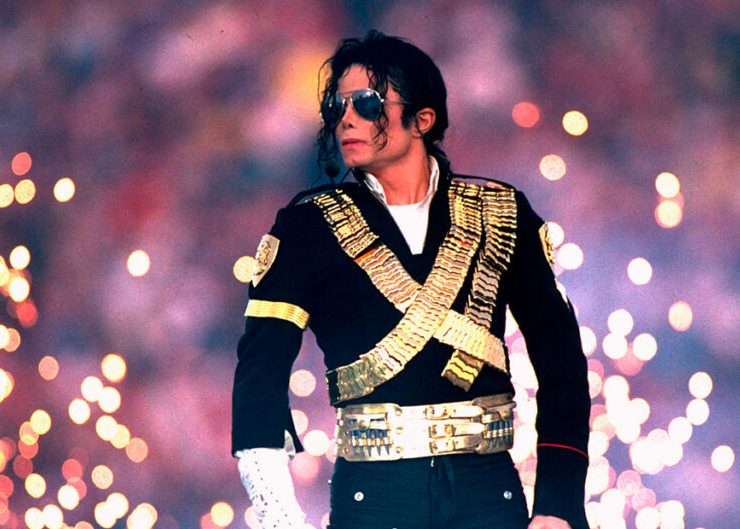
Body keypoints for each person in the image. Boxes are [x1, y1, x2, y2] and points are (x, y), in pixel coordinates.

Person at [232, 30, 590, 529]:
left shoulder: (501, 212)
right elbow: (259, 377)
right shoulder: (306, 227)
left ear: (423, 119)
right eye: (337, 106)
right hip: (373, 499)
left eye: (367, 103)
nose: (346, 119)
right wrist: (280, 517)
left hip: (489, 490)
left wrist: (557, 505)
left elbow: (562, 365)